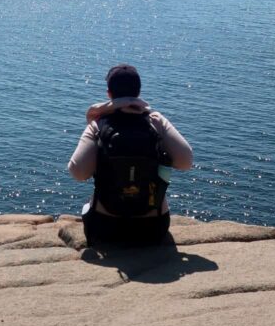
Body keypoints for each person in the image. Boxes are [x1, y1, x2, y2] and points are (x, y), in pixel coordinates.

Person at [68, 64, 193, 246]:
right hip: (153, 228)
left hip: (106, 228)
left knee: (89, 204)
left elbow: (78, 173)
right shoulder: (155, 121)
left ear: (109, 93)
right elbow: (186, 162)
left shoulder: (98, 125)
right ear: (138, 91)